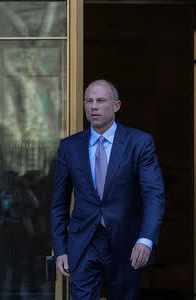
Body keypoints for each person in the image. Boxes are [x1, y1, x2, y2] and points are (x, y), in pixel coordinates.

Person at [51, 79, 165, 299]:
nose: (93, 106)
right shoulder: (69, 147)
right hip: (83, 243)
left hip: (126, 243)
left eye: (101, 101)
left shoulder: (139, 143)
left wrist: (146, 239)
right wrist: (60, 248)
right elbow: (59, 202)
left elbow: (154, 195)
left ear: (116, 106)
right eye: (88, 101)